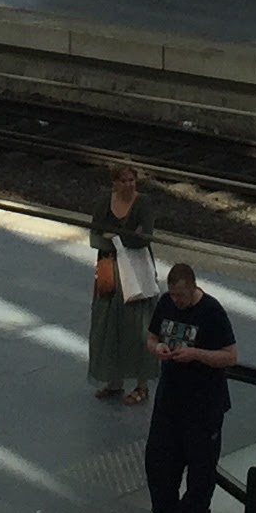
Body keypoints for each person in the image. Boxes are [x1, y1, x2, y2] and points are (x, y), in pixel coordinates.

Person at [139, 262, 239, 513]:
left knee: (200, 465)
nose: (177, 302)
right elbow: (152, 337)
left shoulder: (212, 312)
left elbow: (230, 356)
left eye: (181, 296)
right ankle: (164, 509)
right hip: (170, 396)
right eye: (172, 296)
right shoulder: (166, 305)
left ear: (193, 288)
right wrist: (157, 348)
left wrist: (196, 354)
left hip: (204, 401)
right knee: (160, 457)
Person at [88, 163, 161, 403]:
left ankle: (142, 385)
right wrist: (125, 239)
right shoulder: (102, 202)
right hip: (110, 270)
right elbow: (95, 239)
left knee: (138, 325)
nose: (129, 184)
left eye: (132, 180)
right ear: (115, 183)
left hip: (137, 272)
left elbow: (145, 238)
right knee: (108, 323)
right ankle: (114, 380)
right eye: (124, 180)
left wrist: (116, 238)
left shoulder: (144, 203)